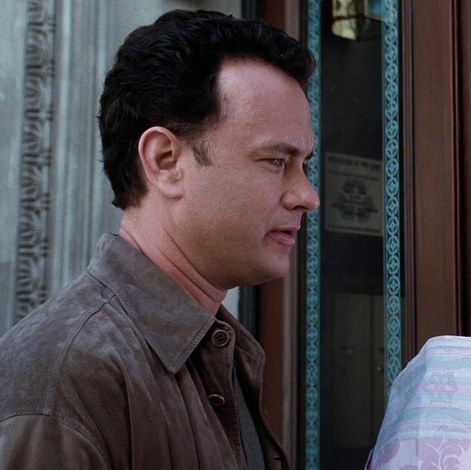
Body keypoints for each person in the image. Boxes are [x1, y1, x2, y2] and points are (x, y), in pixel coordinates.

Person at [0, 9, 319, 469]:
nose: (307, 196)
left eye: (304, 164)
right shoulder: (63, 379)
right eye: (276, 162)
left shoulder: (220, 351)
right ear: (165, 161)